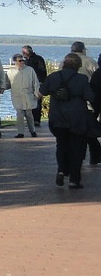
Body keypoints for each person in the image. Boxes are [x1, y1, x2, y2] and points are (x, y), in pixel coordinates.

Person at [40, 52, 96, 188]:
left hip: (57, 118)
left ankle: (61, 170)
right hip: (77, 119)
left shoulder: (53, 77)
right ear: (78, 66)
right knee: (76, 149)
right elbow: (91, 97)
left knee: (61, 145)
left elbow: (41, 92)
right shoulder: (82, 79)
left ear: (64, 64)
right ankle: (74, 180)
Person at [9, 53, 40, 138]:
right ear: (15, 62)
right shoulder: (10, 72)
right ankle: (20, 132)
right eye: (20, 61)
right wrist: (1, 88)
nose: (22, 62)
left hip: (28, 95)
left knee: (29, 114)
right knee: (19, 114)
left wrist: (36, 92)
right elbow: (7, 83)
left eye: (23, 60)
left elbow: (35, 82)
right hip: (17, 96)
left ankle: (32, 130)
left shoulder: (30, 70)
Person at [21, 45, 48, 126]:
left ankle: (36, 120)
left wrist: (41, 82)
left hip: (38, 83)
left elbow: (42, 71)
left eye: (24, 52)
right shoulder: (25, 61)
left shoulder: (38, 59)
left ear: (29, 51)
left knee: (37, 102)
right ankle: (30, 120)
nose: (23, 54)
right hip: (28, 84)